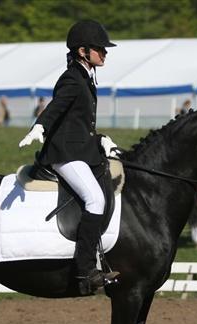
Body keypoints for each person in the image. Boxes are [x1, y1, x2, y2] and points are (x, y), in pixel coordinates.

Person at [19, 19, 119, 296]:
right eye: (100, 49)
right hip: (64, 153)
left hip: (78, 149)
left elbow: (79, 124)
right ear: (83, 51)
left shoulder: (86, 78)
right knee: (95, 199)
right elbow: (57, 108)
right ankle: (85, 270)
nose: (105, 53)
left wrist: (101, 140)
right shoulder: (72, 78)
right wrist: (40, 126)